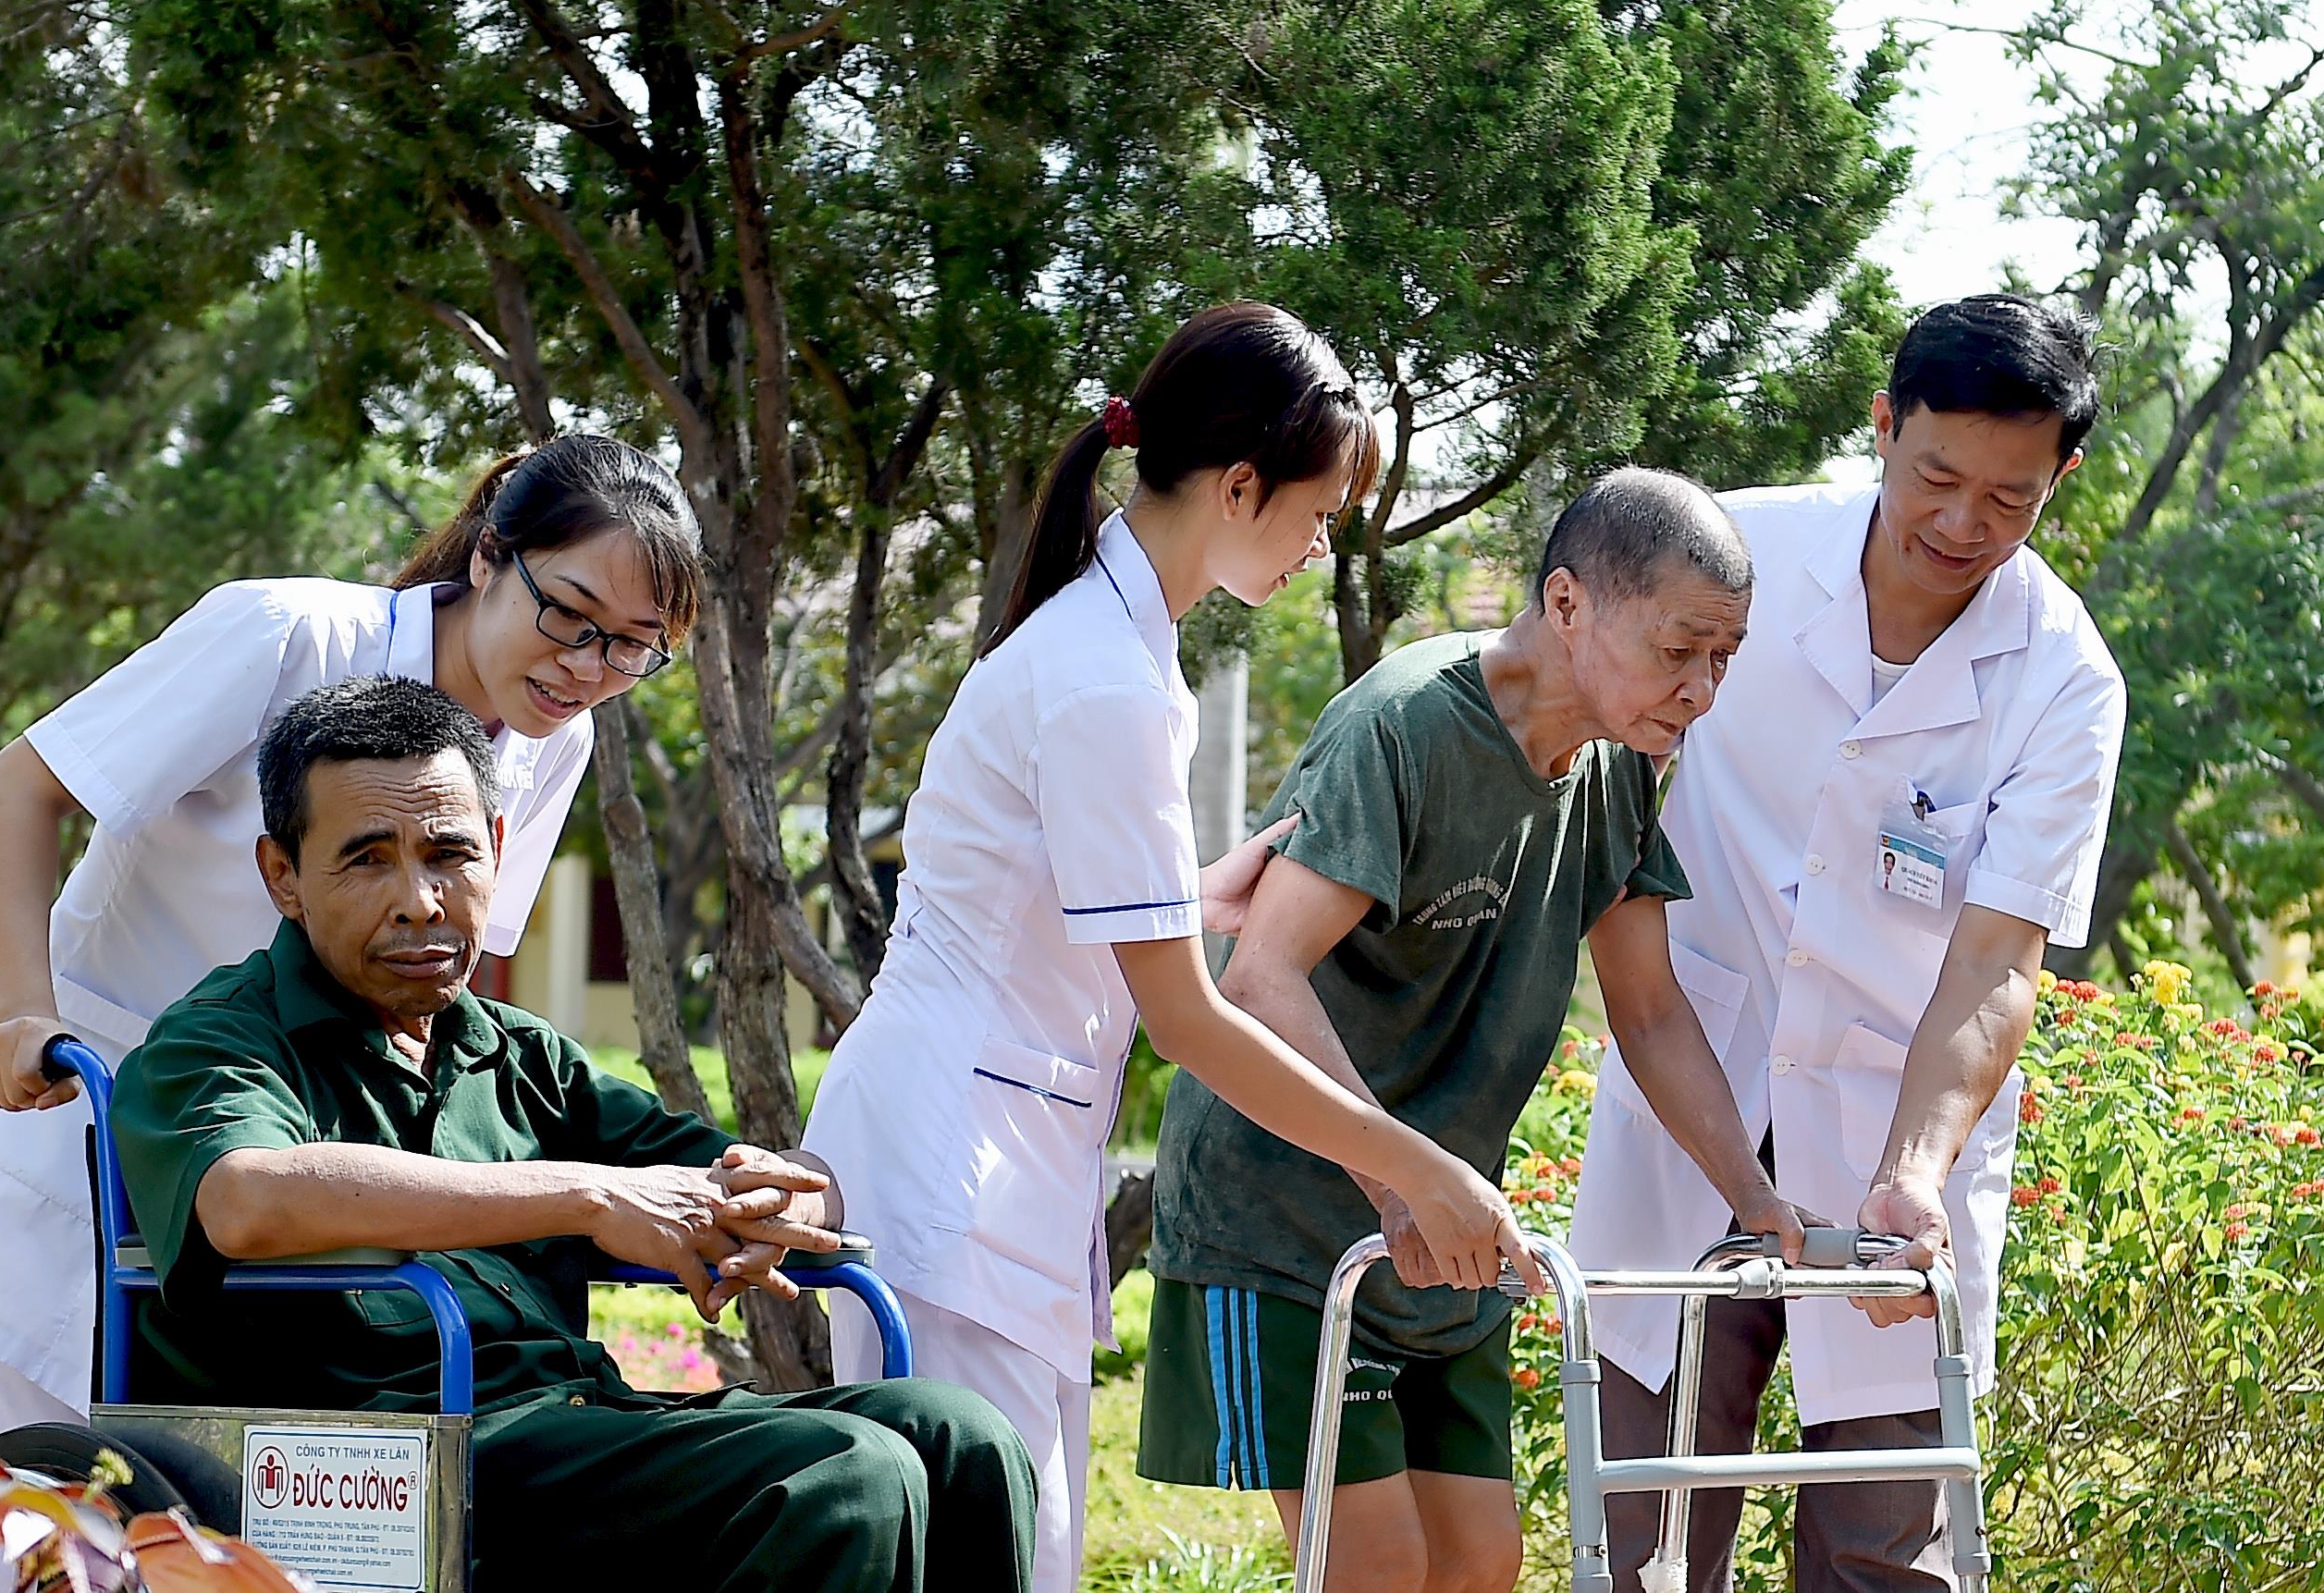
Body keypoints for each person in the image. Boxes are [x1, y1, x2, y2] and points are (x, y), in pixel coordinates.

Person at [800, 301, 1528, 1592]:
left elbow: (1023, 901)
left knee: (1008, 1552)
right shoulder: (1107, 679)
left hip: (983, 1157)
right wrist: (1415, 1168)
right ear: (1238, 486)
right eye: (1315, 513)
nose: (1317, 548)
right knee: (989, 1557)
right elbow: (1189, 1022)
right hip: (954, 1169)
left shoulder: (1113, 648)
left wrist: (1187, 897)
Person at [108, 677, 1037, 1590]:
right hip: (371, 1465)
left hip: (567, 1426)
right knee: (846, 1474)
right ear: (283, 877)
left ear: (496, 849)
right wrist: (586, 1195)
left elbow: (711, 1173)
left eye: (448, 854)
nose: (420, 900)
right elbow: (245, 1198)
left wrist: (784, 1191)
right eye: (367, 860)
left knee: (961, 1435)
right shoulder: (217, 1040)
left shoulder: (522, 1057)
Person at [0, 435, 703, 1450]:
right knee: (35, 1520)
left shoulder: (551, 738)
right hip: (91, 1139)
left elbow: (443, 985)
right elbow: (13, 794)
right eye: (570, 617)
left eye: (632, 646)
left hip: (294, 1205)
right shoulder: (288, 636)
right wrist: (23, 1013)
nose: (586, 669)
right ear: (488, 557)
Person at [1140, 469, 1823, 1593]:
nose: (1699, 690)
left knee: (1476, 1561)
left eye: (1722, 659)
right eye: (1676, 650)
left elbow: (1648, 1010)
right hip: (1284, 1225)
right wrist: (1399, 1181)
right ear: (1565, 604)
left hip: (1442, 1232)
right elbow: (1258, 978)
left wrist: (1756, 1203)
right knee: (1374, 1568)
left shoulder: (1617, 767)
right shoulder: (1404, 723)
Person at [1568, 296, 2126, 1591]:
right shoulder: (1733, 557)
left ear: (2059, 478)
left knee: (1885, 1546)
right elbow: (1582, 750)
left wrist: (1914, 1171)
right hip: (1692, 1095)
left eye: (2008, 497)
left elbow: (1993, 961)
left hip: (1891, 1147)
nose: (1960, 523)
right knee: (1641, 1531)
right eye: (1935, 476)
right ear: (1881, 425)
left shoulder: (2061, 678)